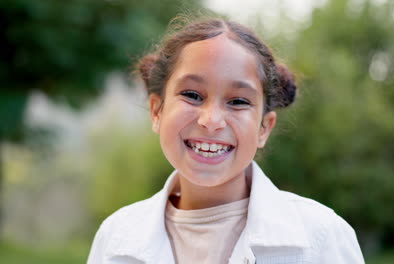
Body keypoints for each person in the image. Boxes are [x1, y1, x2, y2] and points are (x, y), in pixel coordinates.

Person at [87, 17, 365, 264]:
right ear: (157, 111)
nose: (211, 120)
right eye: (193, 95)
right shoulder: (115, 240)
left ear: (263, 129)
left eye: (238, 101)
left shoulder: (322, 237)